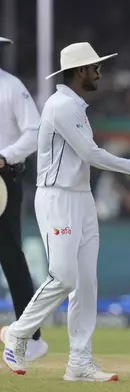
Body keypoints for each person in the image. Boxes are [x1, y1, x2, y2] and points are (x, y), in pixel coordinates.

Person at [0, 42, 130, 380]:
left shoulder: (75, 106)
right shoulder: (60, 106)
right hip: (57, 199)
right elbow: (91, 153)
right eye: (95, 67)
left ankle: (79, 363)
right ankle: (17, 334)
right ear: (81, 71)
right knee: (64, 277)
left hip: (80, 198)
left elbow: (87, 155)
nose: (99, 73)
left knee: (86, 283)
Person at [0, 36, 48, 362]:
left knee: (9, 255)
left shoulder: (11, 87)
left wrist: (4, 156)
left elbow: (35, 131)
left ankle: (32, 336)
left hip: (2, 177)